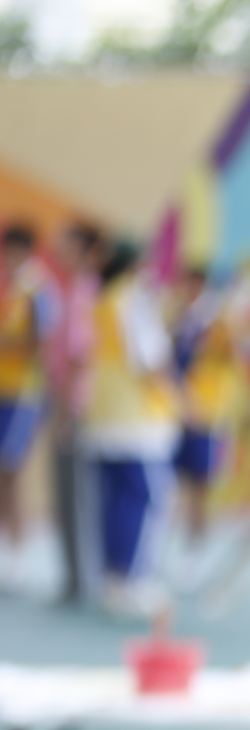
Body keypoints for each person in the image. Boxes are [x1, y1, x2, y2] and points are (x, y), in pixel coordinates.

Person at [81, 241, 182, 614]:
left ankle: (112, 578)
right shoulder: (133, 302)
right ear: (136, 266)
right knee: (147, 501)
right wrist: (181, 401)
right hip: (139, 422)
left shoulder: (102, 302)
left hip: (104, 418)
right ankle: (136, 580)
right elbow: (151, 362)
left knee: (113, 503)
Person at [42, 222, 101, 602]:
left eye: (67, 244)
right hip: (65, 399)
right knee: (67, 492)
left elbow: (80, 356)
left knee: (73, 492)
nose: (59, 250)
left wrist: (65, 408)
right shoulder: (68, 290)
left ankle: (81, 580)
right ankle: (77, 577)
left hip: (74, 404)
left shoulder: (83, 293)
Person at [170, 265, 242, 552]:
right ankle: (178, 546)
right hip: (178, 410)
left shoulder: (219, 321)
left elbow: (234, 358)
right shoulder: (179, 319)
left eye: (192, 284)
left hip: (206, 412)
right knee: (176, 483)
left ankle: (197, 549)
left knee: (201, 485)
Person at [0, 223, 51, 561]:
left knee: (11, 471)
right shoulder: (12, 288)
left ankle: (17, 552)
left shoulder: (37, 290)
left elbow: (40, 342)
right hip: (5, 389)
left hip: (23, 394)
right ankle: (9, 545)